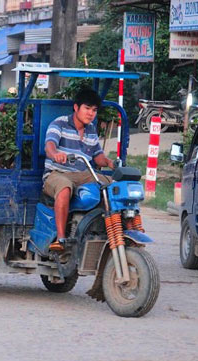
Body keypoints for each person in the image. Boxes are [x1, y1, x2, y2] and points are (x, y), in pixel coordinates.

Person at [43, 88, 114, 252]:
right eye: (87, 108)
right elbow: (50, 145)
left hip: (83, 174)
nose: (91, 114)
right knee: (64, 188)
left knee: (115, 187)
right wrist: (55, 154)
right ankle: (61, 239)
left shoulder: (91, 130)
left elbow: (98, 157)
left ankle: (119, 231)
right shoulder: (59, 124)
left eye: (94, 110)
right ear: (76, 107)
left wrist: (110, 163)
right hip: (57, 173)